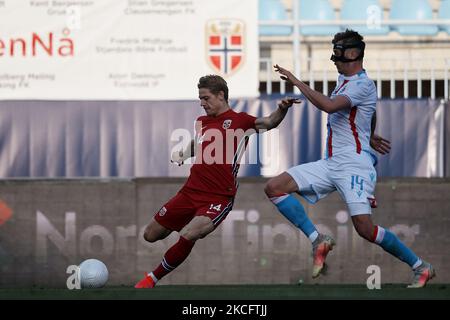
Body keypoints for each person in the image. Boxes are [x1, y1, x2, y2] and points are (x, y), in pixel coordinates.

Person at [266, 29, 435, 288]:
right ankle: (317, 239)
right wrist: (369, 133)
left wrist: (297, 82)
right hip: (331, 162)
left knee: (365, 229)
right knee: (274, 187)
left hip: (354, 164)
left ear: (353, 53)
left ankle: (420, 267)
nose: (334, 57)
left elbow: (330, 106)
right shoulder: (345, 80)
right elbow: (367, 111)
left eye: (338, 51)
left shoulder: (363, 83)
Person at [135, 74, 300, 288]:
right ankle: (186, 220)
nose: (202, 104)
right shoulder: (202, 122)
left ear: (220, 95)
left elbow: (269, 122)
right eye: (200, 99)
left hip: (218, 198)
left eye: (206, 98)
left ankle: (151, 279)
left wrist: (283, 109)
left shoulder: (241, 121)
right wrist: (183, 154)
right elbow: (198, 143)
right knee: (150, 235)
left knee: (188, 235)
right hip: (189, 193)